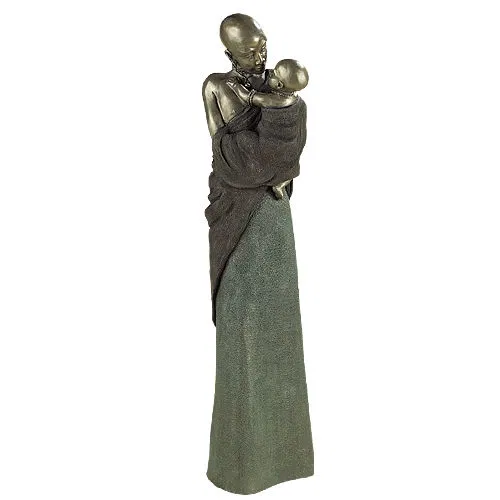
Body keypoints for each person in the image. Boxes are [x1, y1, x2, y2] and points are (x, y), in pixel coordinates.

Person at [202, 13, 314, 495]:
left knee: (278, 323)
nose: (258, 55)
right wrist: (264, 158)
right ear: (229, 51)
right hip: (238, 211)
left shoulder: (276, 87)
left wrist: (273, 149)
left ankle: (284, 455)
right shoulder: (216, 86)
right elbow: (230, 154)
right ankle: (240, 460)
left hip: (273, 213)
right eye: (248, 50)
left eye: (262, 45)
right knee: (242, 322)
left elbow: (288, 148)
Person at [226, 58, 309, 199]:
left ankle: (271, 180)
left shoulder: (273, 100)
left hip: (269, 146)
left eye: (274, 73)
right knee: (290, 165)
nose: (269, 72)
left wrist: (235, 86)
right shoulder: (299, 102)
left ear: (279, 85)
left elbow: (248, 97)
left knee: (243, 139)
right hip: (290, 148)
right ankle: (282, 182)